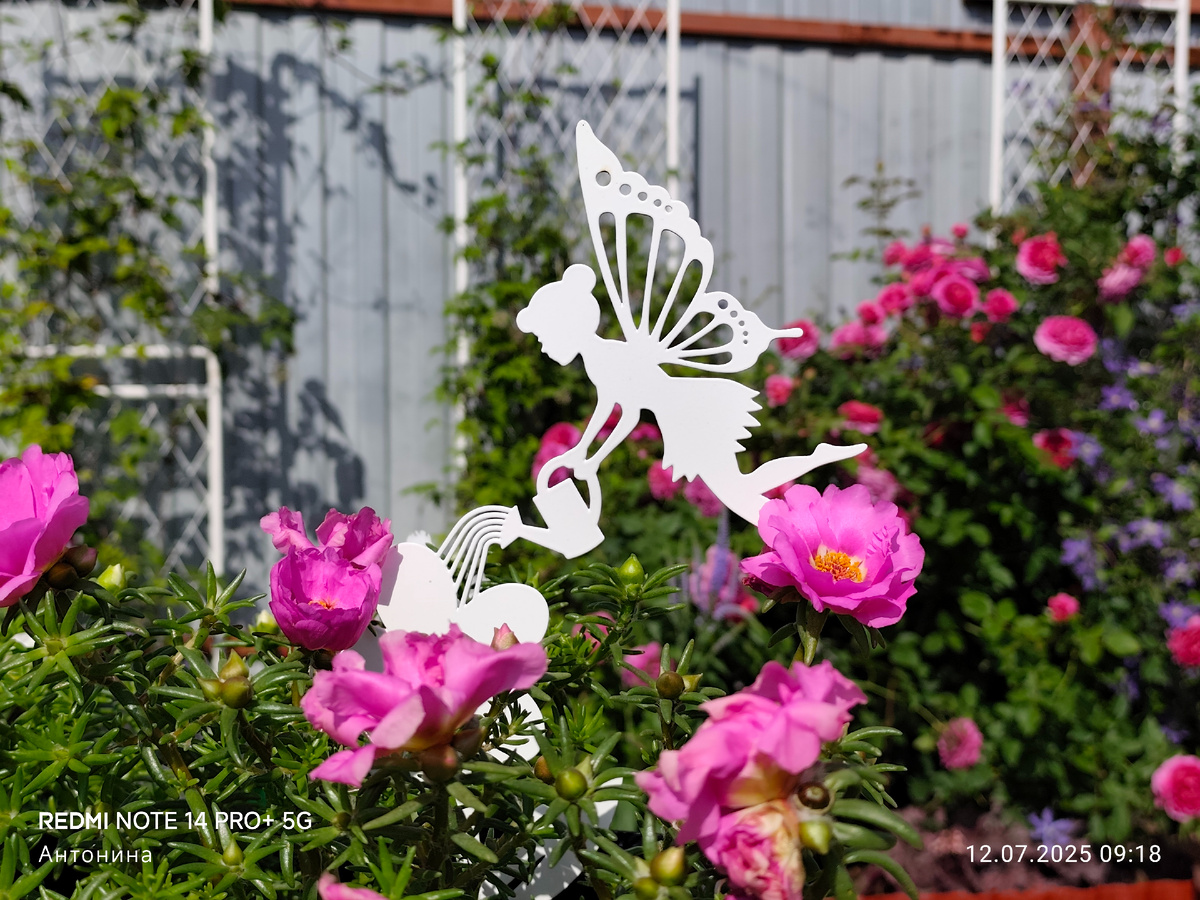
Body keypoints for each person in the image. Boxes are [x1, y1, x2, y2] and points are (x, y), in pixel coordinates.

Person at [516, 263, 865, 525]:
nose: (544, 346)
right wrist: (584, 451)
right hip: (684, 412)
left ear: (567, 327)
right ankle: (807, 477)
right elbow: (612, 407)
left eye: (545, 336)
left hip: (690, 416)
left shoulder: (605, 357)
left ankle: (791, 522)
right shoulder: (601, 357)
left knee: (737, 493)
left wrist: (591, 457)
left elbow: (629, 414)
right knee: (739, 488)